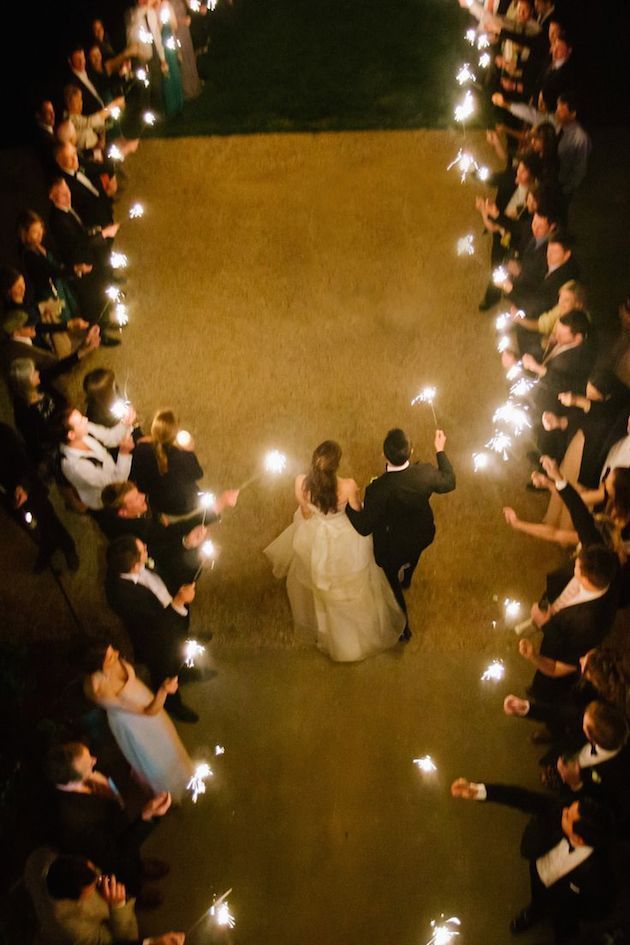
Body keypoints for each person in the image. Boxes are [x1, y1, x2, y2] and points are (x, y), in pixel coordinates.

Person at [264, 440, 405, 662]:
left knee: (321, 587)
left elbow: (306, 512)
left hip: (315, 540)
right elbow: (358, 512)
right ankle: (351, 640)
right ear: (336, 464)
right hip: (345, 540)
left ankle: (327, 636)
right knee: (348, 589)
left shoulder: (301, 482)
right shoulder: (348, 486)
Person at [451, 777, 615, 942]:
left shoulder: (598, 871)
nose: (563, 810)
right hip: (539, 869)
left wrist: (568, 909)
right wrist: (479, 791)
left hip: (565, 905)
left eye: (567, 816)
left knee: (564, 929)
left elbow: (598, 908)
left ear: (579, 839)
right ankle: (535, 911)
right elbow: (522, 798)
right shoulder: (562, 808)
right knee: (537, 897)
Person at [345, 428, 456, 638]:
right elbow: (449, 482)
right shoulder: (424, 472)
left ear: (384, 455)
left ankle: (403, 628)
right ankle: (408, 577)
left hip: (392, 544)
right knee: (414, 553)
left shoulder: (378, 489)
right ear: (411, 450)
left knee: (390, 580)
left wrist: (348, 507)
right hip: (423, 533)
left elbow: (364, 526)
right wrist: (440, 450)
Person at [46, 741, 170, 900]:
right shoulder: (74, 822)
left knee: (131, 859)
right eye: (88, 761)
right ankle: (135, 891)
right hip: (115, 854)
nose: (94, 760)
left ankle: (138, 866)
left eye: (89, 755)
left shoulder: (83, 777)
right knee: (123, 871)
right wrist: (146, 817)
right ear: (70, 779)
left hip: (120, 832)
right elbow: (115, 855)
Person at [104, 535, 200, 721]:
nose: (147, 548)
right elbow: (157, 626)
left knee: (181, 649)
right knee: (165, 668)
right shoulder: (121, 594)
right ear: (134, 566)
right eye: (143, 550)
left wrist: (189, 544)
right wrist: (179, 602)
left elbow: (164, 558)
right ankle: (173, 704)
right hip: (157, 640)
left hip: (173, 616)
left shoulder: (133, 562)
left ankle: (184, 671)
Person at [83, 644, 194, 800]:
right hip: (133, 723)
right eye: (110, 657)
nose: (117, 653)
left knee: (169, 744)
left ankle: (185, 778)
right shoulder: (101, 691)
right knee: (153, 757)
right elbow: (149, 711)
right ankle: (167, 795)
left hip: (145, 699)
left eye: (112, 650)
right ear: (97, 665)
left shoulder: (115, 661)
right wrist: (163, 691)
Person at [518, 543, 619, 701]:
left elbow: (562, 661)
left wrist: (544, 626)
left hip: (557, 643)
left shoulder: (590, 623)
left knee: (546, 685)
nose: (573, 565)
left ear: (585, 579)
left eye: (576, 566)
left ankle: (540, 693)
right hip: (555, 613)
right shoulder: (601, 566)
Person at [24, 848, 185, 945]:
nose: (100, 878)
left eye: (93, 869)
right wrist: (118, 905)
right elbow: (122, 941)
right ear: (77, 898)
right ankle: (135, 899)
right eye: (93, 886)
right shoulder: (75, 931)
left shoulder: (39, 859)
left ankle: (136, 882)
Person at [0, 422, 79, 572]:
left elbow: (23, 459)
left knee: (47, 516)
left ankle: (67, 546)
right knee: (28, 524)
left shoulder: (3, 433)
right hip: (7, 496)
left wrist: (24, 486)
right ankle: (46, 545)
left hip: (26, 485)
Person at [57, 407, 135, 512]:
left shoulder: (84, 430)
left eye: (82, 417)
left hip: (115, 471)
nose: (86, 420)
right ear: (71, 435)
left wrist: (125, 423)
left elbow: (109, 437)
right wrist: (124, 453)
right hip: (106, 497)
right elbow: (116, 484)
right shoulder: (75, 467)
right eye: (80, 422)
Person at [131, 410, 205, 516]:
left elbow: (142, 485)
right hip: (185, 504)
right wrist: (190, 451)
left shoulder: (141, 450)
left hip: (158, 503)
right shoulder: (182, 455)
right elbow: (198, 474)